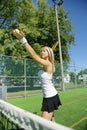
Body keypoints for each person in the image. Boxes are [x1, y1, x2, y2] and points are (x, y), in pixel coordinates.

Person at [12, 29, 62, 122]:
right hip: (47, 96)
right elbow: (37, 57)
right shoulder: (45, 64)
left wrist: (23, 39)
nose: (42, 52)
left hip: (50, 97)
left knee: (43, 124)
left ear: (49, 54)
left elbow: (33, 55)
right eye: (41, 51)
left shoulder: (48, 65)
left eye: (44, 51)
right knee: (52, 123)